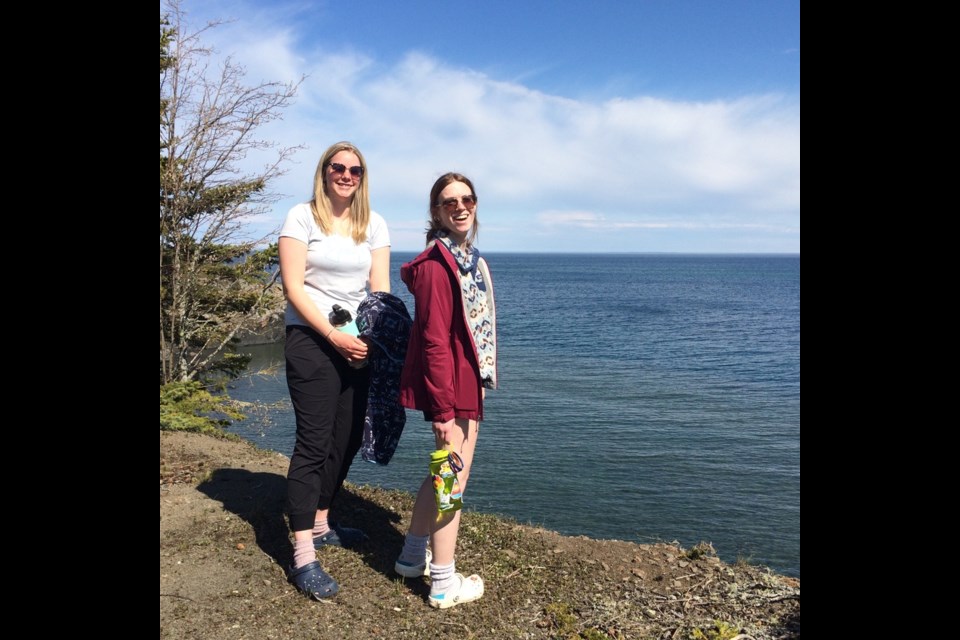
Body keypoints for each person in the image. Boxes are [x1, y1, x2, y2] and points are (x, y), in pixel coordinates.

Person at [278, 141, 390, 600]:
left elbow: (379, 289)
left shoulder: (373, 224)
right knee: (315, 439)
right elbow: (293, 287)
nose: (346, 175)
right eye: (337, 167)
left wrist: (367, 339)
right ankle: (303, 553)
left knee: (346, 436)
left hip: (356, 341)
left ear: (362, 178)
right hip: (310, 338)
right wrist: (331, 335)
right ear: (324, 171)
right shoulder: (301, 217)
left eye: (355, 170)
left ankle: (323, 521)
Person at [393, 172, 497, 609]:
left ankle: (411, 558)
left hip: (463, 385)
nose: (460, 206)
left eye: (467, 199)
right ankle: (443, 583)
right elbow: (434, 340)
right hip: (451, 394)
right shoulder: (439, 266)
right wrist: (441, 412)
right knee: (451, 483)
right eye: (449, 201)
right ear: (436, 211)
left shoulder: (466, 258)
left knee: (440, 477)